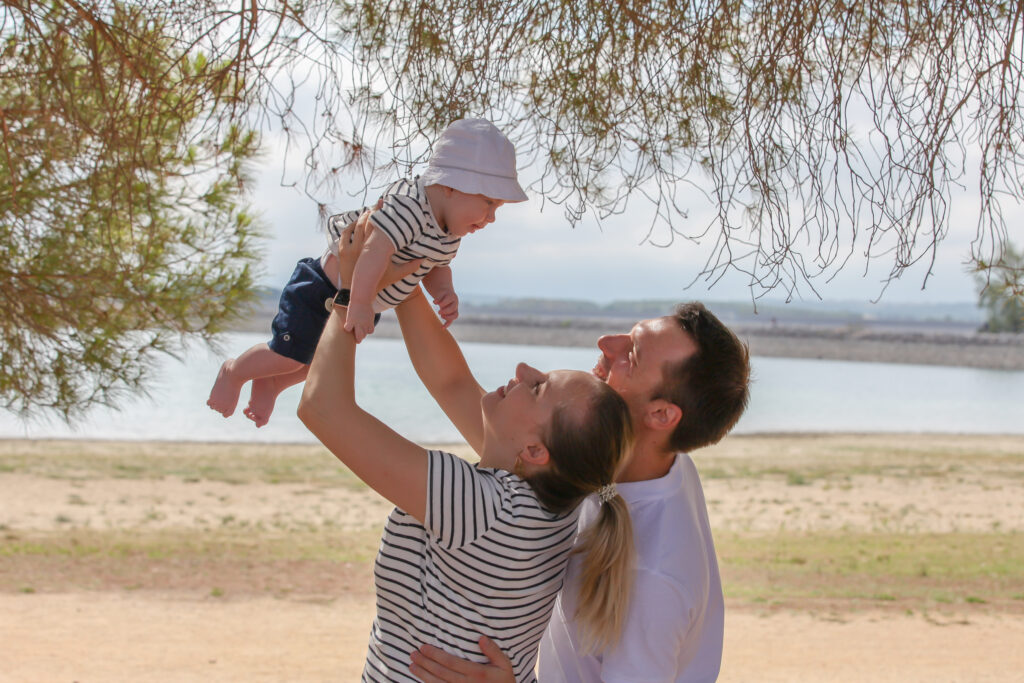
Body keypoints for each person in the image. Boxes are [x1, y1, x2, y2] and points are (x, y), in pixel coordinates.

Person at [296, 217, 637, 682]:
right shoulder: (555, 500)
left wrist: (349, 296)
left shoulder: (485, 507)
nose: (521, 369)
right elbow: (451, 381)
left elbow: (323, 408)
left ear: (536, 451)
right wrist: (404, 275)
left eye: (536, 388)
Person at [400, 298, 751, 682]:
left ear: (662, 415)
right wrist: (402, 272)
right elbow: (453, 386)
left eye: (630, 355)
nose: (606, 342)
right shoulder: (640, 463)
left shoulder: (652, 578)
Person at [207, 118, 527, 426]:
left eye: (497, 208)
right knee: (291, 354)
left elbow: (436, 265)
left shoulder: (450, 233)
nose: (491, 217)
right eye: (488, 203)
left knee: (315, 362)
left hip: (360, 300)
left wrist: (444, 292)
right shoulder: (410, 206)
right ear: (450, 186)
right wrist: (358, 302)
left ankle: (270, 384)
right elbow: (373, 251)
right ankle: (234, 371)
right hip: (325, 289)